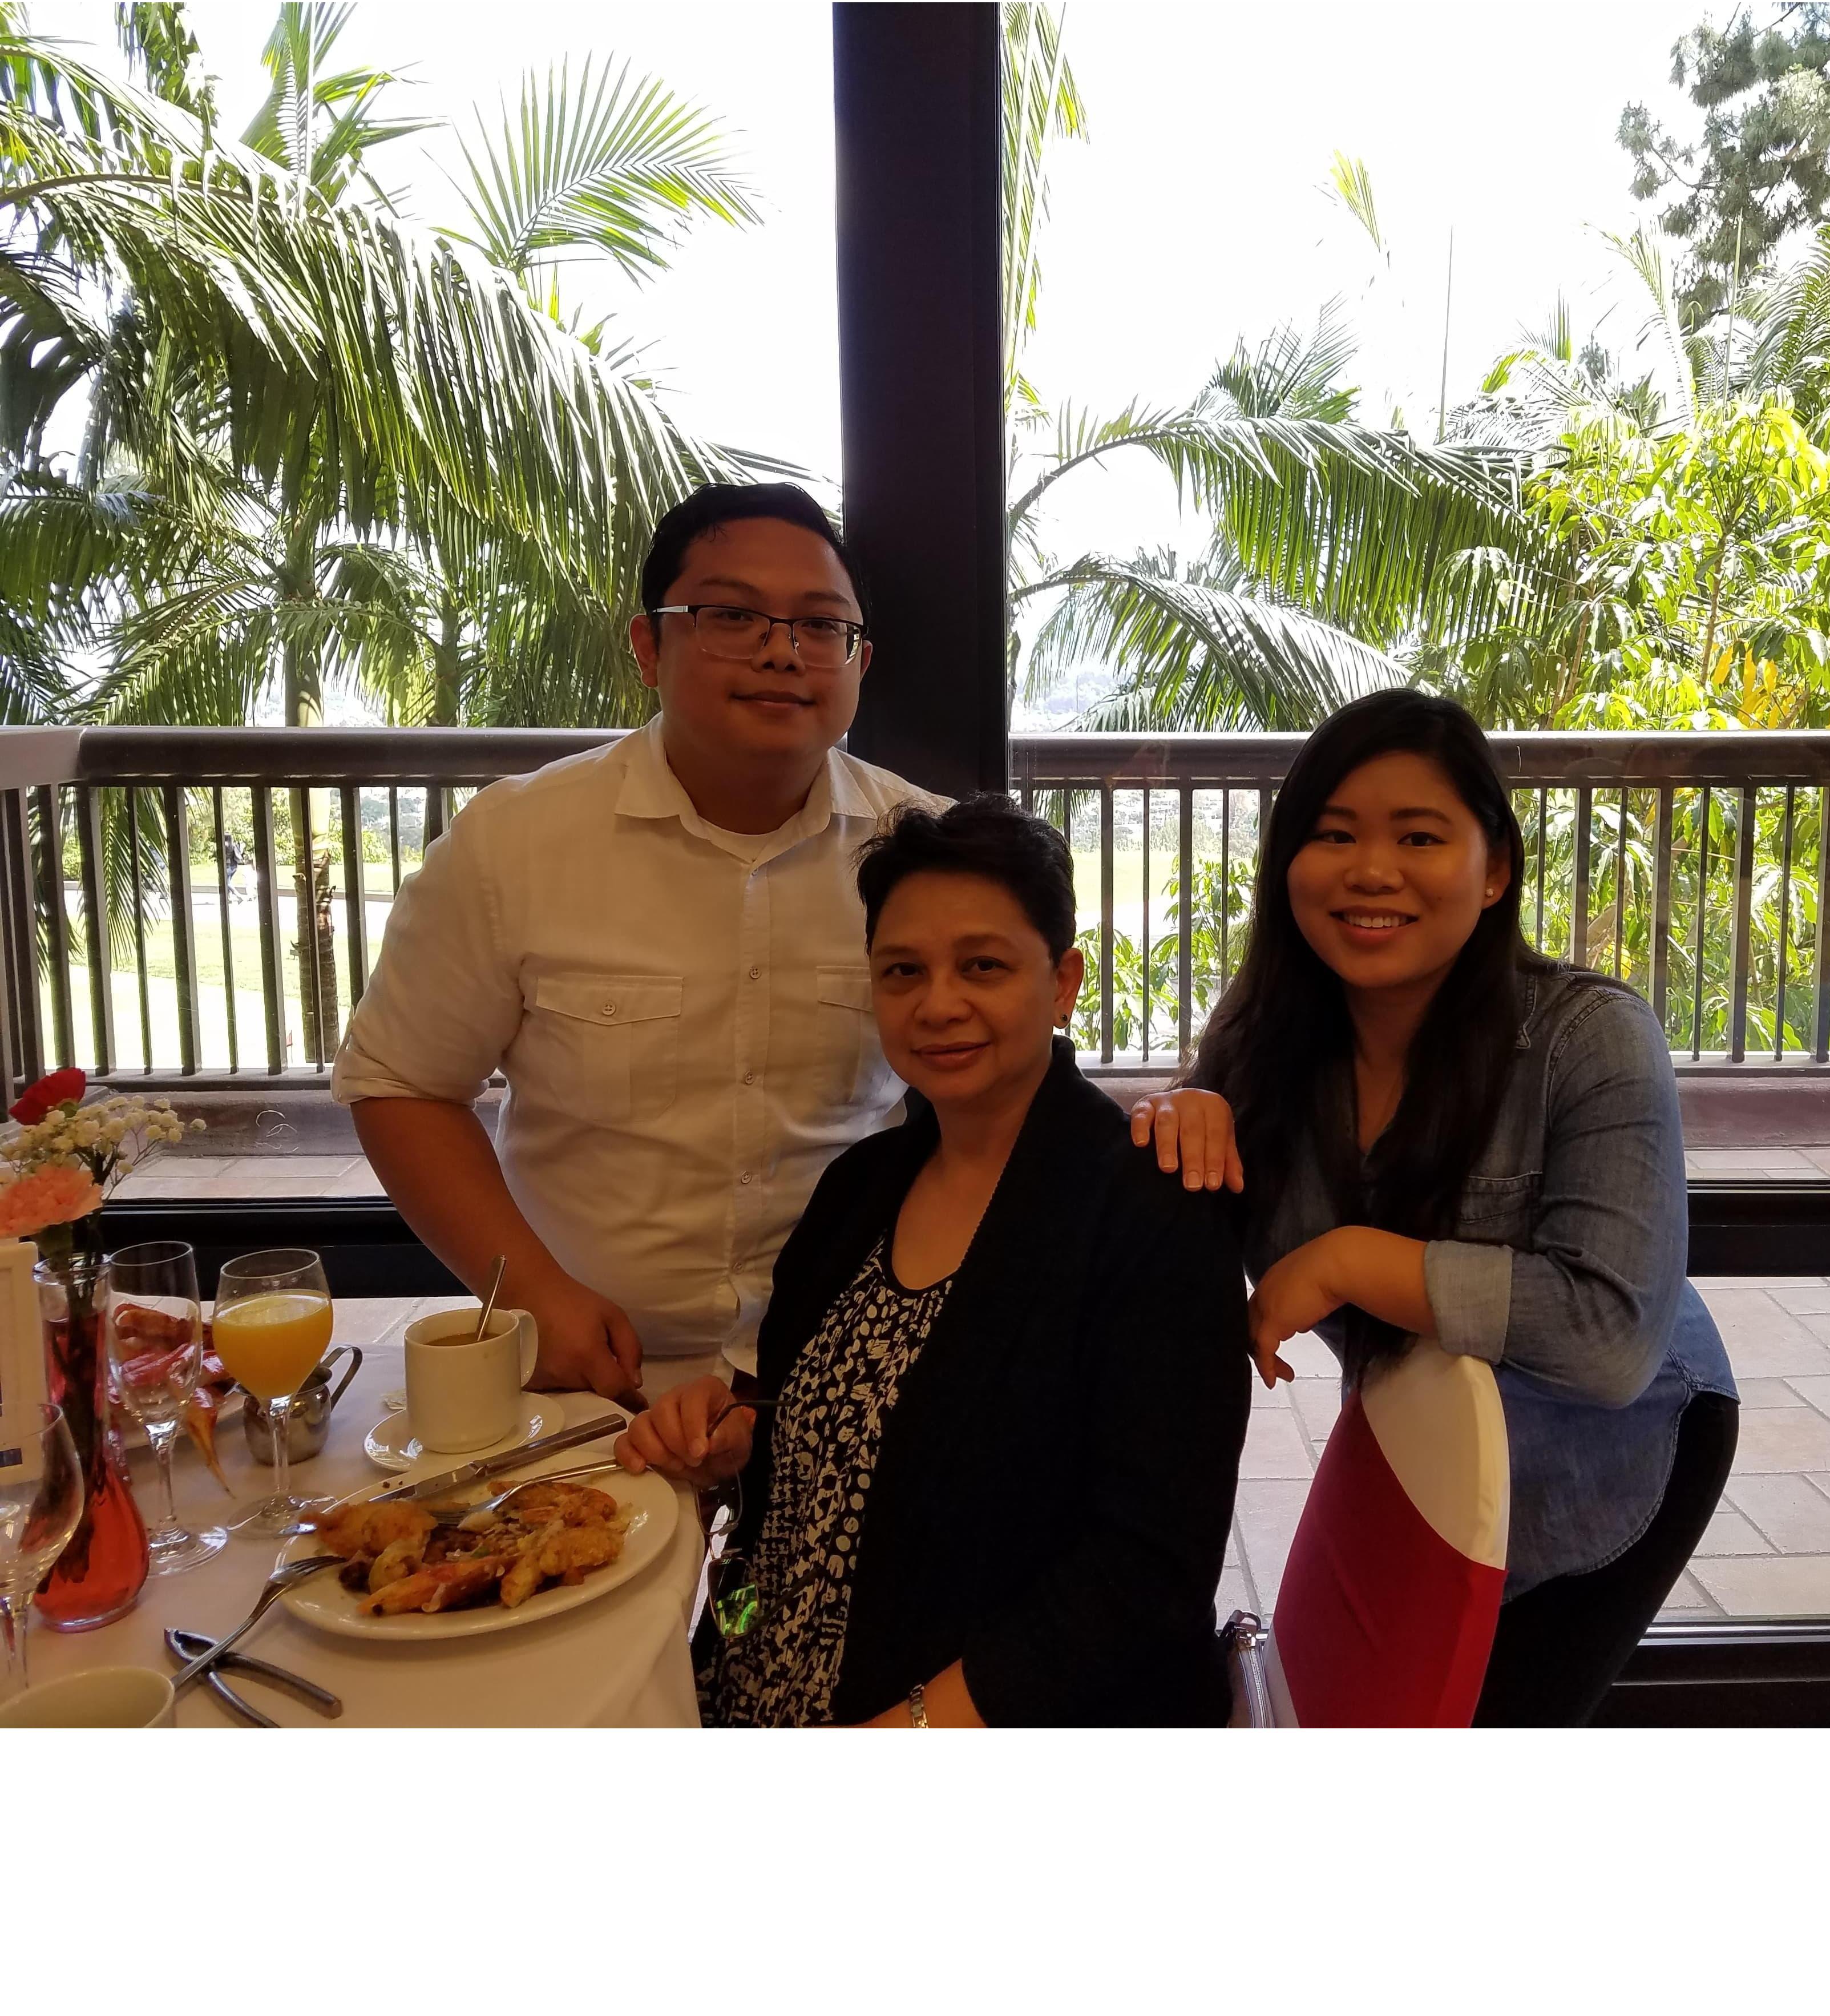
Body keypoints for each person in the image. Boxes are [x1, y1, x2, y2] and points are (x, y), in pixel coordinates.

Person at [619, 796, 1249, 1727]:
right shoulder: (861, 1188)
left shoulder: (1148, 1213)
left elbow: (1148, 1573)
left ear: (1064, 981)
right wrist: (734, 1436)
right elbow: (803, 1422)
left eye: (983, 965)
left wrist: (906, 1733)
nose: (939, 1004)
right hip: (749, 1675)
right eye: (903, 971)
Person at [1185, 690, 1739, 1727]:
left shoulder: (1589, 1037)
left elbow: (1608, 1337)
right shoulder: (1259, 1041)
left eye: (1419, 836)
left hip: (1618, 1447)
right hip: (1418, 1437)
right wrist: (1179, 1117)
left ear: (1494, 871)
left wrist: (1348, 1259)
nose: (1371, 870)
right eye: (1333, 834)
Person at [332, 483, 942, 1402]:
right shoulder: (514, 842)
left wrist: (1162, 1113)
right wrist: (534, 1296)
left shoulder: (928, 851)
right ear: (649, 647)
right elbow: (404, 1083)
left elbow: (1009, 1081)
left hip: (851, 1367)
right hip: (593, 1372)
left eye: (821, 626)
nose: (782, 652)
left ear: (860, 661)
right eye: (733, 617)